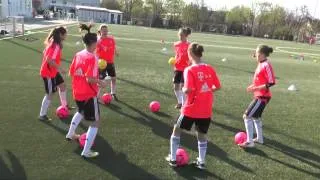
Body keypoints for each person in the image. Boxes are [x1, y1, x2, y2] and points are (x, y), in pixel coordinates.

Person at [166, 43, 221, 170]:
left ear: (190, 54)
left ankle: (173, 159)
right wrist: (205, 92)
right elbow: (217, 86)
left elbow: (188, 89)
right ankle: (201, 162)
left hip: (190, 108)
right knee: (201, 135)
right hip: (206, 109)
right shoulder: (210, 68)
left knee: (176, 130)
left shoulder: (189, 69)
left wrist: (183, 88)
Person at [66, 24, 107, 158]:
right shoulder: (92, 58)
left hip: (77, 92)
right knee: (96, 121)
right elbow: (90, 79)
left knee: (80, 111)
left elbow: (71, 72)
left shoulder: (78, 54)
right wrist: (101, 82)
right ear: (93, 43)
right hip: (89, 94)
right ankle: (86, 151)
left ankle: (70, 133)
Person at [239, 45, 276, 148]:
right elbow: (261, 79)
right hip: (260, 95)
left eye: (257, 53)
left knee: (247, 116)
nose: (255, 54)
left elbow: (271, 82)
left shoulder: (266, 65)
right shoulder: (260, 63)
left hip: (262, 96)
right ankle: (259, 139)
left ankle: (249, 142)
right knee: (256, 117)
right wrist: (253, 86)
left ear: (262, 54)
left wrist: (256, 88)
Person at [39, 26, 72, 121]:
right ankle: (42, 115)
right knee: (50, 93)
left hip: (52, 71)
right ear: (61, 35)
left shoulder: (53, 43)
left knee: (62, 85)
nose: (66, 35)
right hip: (48, 73)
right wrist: (60, 69)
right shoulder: (56, 45)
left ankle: (64, 106)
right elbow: (49, 60)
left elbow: (45, 53)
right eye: (65, 34)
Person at [96, 24, 119, 101]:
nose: (105, 32)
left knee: (113, 78)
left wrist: (116, 52)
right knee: (101, 80)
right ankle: (97, 95)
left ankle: (113, 92)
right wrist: (97, 61)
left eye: (106, 30)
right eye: (103, 30)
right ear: (100, 31)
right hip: (102, 64)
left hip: (110, 62)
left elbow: (114, 46)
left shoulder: (111, 39)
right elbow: (96, 53)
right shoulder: (98, 41)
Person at [173, 27, 192, 109]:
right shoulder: (176, 44)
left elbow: (191, 57)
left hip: (186, 69)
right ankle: (179, 102)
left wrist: (190, 63)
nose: (180, 36)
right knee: (175, 87)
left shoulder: (189, 45)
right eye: (179, 34)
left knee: (182, 87)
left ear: (186, 35)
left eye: (182, 35)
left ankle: (184, 105)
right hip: (177, 68)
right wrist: (174, 60)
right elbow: (177, 55)